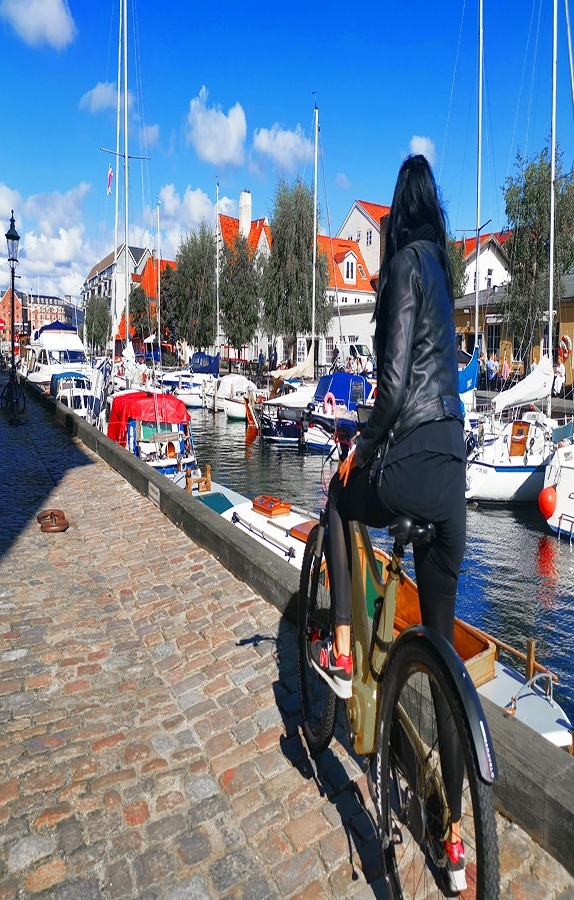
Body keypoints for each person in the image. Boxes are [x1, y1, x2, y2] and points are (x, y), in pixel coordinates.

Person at [308, 155, 467, 890]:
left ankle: (342, 650)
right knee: (445, 665)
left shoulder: (402, 264)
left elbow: (398, 386)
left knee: (342, 500)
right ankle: (457, 835)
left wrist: (361, 449)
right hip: (455, 478)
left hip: (410, 464)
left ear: (394, 215)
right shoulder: (445, 272)